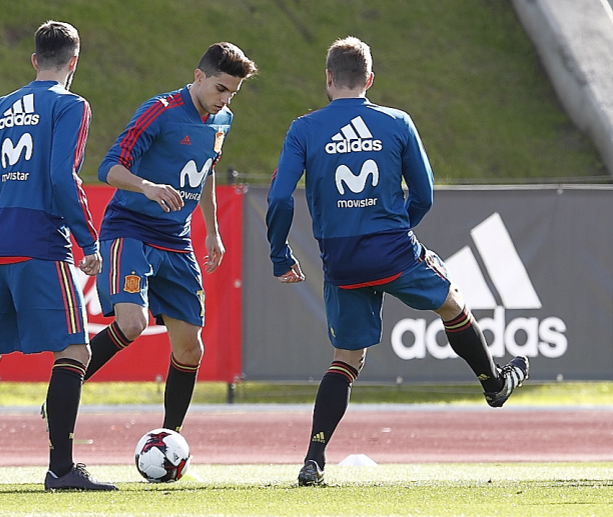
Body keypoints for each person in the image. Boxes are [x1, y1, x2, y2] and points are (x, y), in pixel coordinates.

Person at [265, 36, 529, 487]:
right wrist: (394, 227)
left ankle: (314, 459)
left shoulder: (304, 129)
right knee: (452, 303)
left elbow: (278, 199)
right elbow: (423, 194)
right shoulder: (397, 122)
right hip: (393, 251)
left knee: (346, 359)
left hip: (341, 261)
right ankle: (493, 384)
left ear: (328, 79)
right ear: (369, 79)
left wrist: (279, 254)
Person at [0, 20, 116, 492]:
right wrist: (88, 240)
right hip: (43, 246)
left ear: (34, 59)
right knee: (75, 352)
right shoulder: (71, 105)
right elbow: (64, 178)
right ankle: (61, 469)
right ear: (74, 63)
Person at [83, 42, 258, 433]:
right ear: (199, 77)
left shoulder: (223, 120)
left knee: (191, 349)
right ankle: (64, 389)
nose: (225, 99)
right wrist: (146, 186)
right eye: (219, 89)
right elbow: (108, 167)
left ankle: (169, 440)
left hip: (176, 240)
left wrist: (212, 230)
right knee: (132, 323)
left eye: (232, 92)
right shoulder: (159, 112)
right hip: (130, 227)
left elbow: (207, 168)